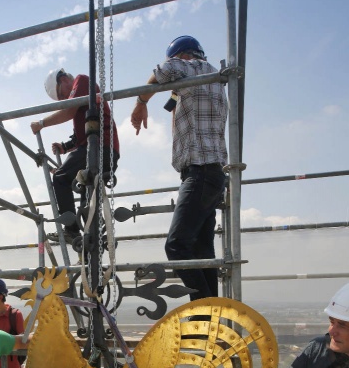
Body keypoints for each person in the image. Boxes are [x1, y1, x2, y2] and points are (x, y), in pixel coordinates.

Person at [130, 35, 228, 300]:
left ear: (183, 55)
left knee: (176, 247)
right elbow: (174, 96)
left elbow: (165, 70)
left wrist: (140, 103)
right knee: (202, 254)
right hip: (212, 175)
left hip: (200, 172)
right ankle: (211, 320)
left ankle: (203, 312)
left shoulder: (194, 68)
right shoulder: (212, 81)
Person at [30, 68, 120, 245]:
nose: (64, 100)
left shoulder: (82, 81)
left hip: (98, 147)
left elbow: (69, 111)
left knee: (61, 178)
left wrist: (41, 124)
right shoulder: (83, 97)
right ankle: (89, 241)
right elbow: (80, 134)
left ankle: (71, 230)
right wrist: (64, 147)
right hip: (104, 149)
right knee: (87, 207)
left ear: (63, 80)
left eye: (62, 96)